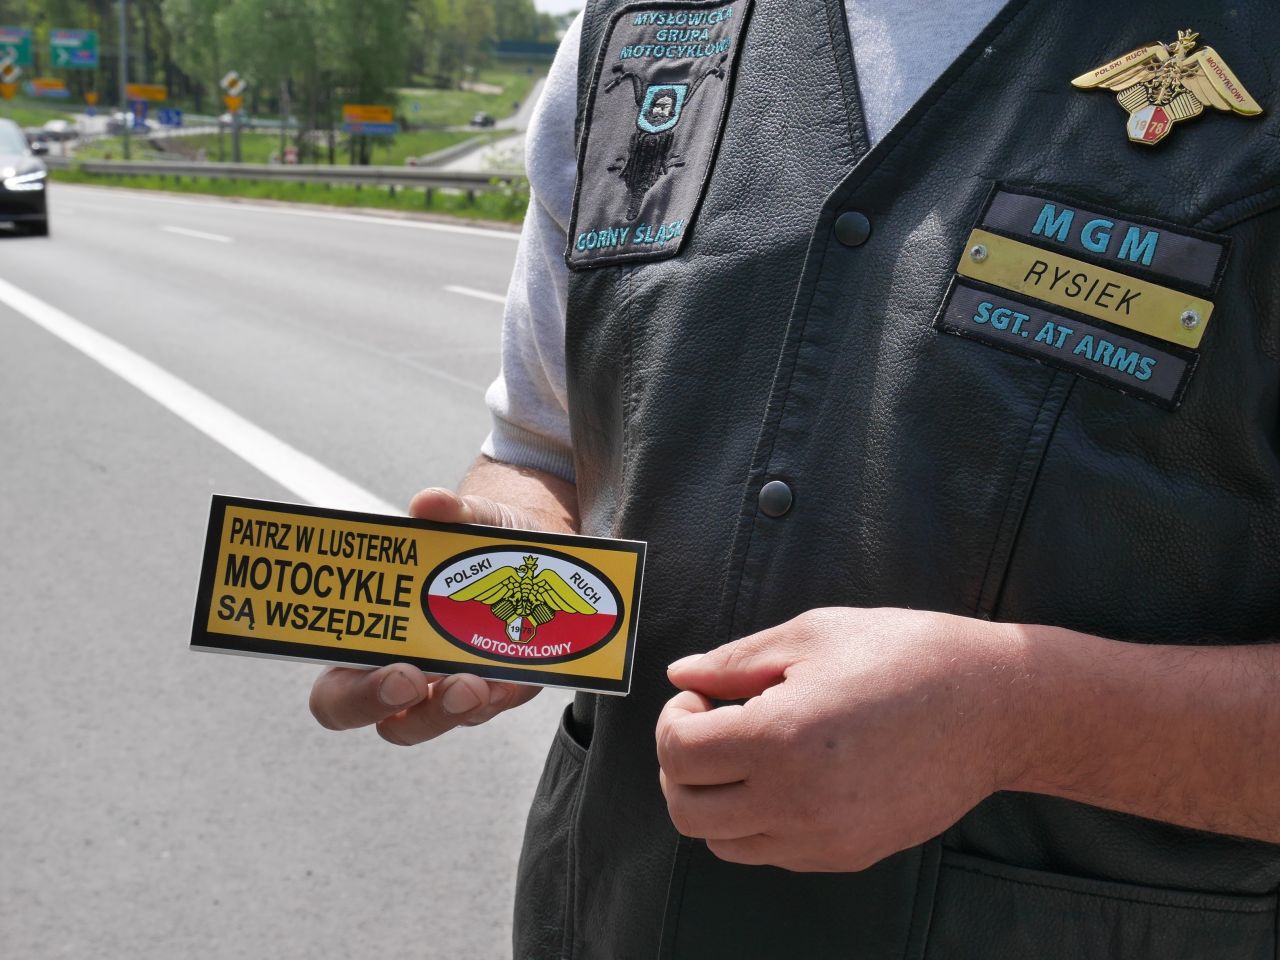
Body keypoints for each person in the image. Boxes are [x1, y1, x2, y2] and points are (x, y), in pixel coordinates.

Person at [310, 1, 1280, 957]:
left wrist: (1017, 720)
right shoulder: (629, 34)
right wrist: (502, 578)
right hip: (615, 913)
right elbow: (546, 452)